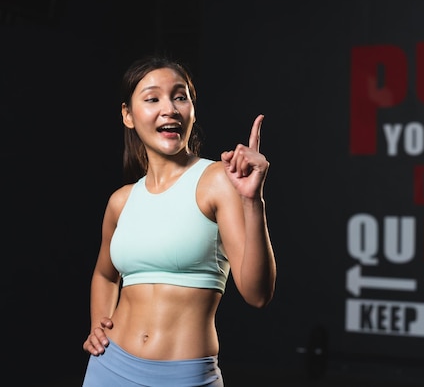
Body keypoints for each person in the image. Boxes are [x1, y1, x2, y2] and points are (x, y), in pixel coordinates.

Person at [81, 55, 277, 387]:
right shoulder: (121, 200)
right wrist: (98, 325)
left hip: (183, 377)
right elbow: (104, 273)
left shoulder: (216, 179)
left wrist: (252, 201)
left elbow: (258, 294)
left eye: (180, 96)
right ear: (128, 116)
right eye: (152, 98)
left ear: (192, 110)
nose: (169, 108)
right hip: (108, 367)